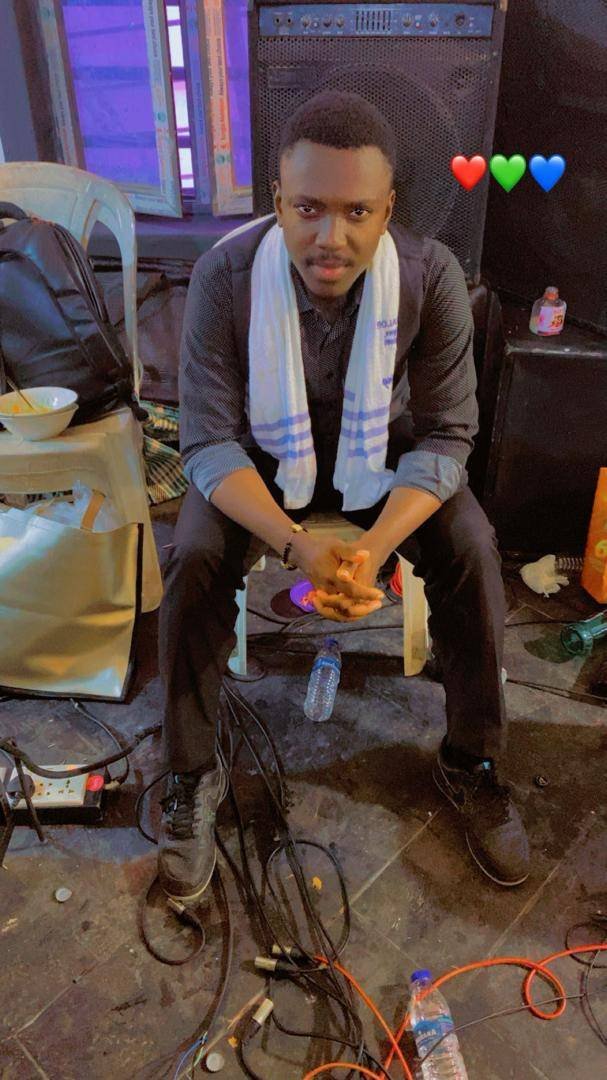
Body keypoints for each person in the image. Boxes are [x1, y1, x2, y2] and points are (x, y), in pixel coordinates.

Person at [157, 90, 530, 903]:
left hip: (379, 456)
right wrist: (296, 544)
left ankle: (470, 759)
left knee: (470, 547)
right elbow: (209, 442)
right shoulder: (224, 276)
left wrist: (372, 549)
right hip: (260, 456)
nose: (331, 237)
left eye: (357, 211)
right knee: (190, 554)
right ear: (277, 201)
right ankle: (188, 772)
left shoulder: (430, 277)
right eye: (308, 209)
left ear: (387, 209)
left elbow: (446, 436)